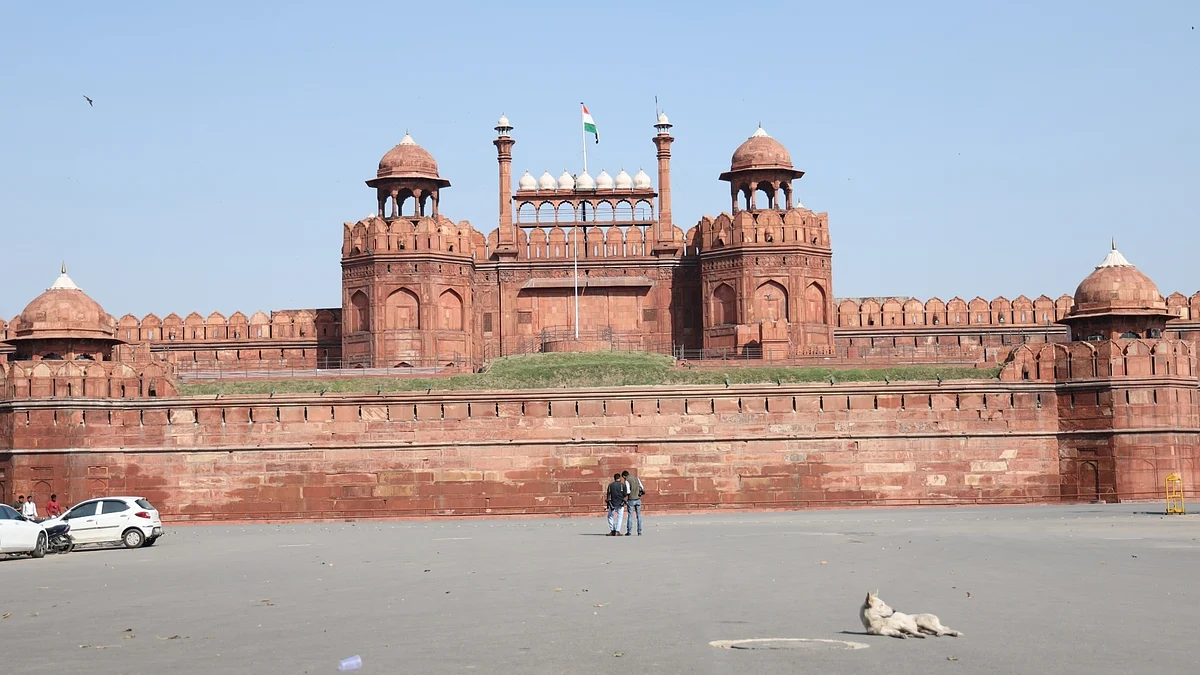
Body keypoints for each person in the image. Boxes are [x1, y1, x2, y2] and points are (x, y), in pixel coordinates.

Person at [622, 470, 645, 536]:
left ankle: (629, 531)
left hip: (631, 499)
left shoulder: (627, 480)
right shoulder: (636, 478)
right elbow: (642, 487)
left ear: (624, 476)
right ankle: (639, 531)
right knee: (639, 515)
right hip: (638, 498)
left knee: (630, 516)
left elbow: (628, 491)